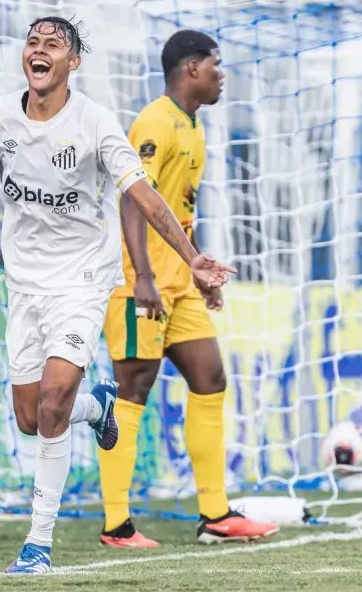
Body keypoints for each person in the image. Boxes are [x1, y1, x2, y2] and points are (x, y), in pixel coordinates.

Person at [0, 17, 234, 574]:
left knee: (52, 401)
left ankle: (37, 543)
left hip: (82, 280)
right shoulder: (1, 116)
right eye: (33, 42)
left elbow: (140, 194)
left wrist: (192, 257)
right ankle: (97, 408)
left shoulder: (95, 123)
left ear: (73, 62)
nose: (39, 50)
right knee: (30, 416)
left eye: (54, 44)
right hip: (25, 284)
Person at [97, 29, 279, 548]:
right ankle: (116, 524)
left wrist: (197, 275)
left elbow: (176, 210)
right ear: (191, 68)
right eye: (216, 65)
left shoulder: (192, 127)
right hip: (140, 285)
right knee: (133, 391)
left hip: (179, 285)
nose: (223, 75)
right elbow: (132, 200)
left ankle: (215, 513)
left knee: (211, 378)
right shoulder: (155, 122)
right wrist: (146, 278)